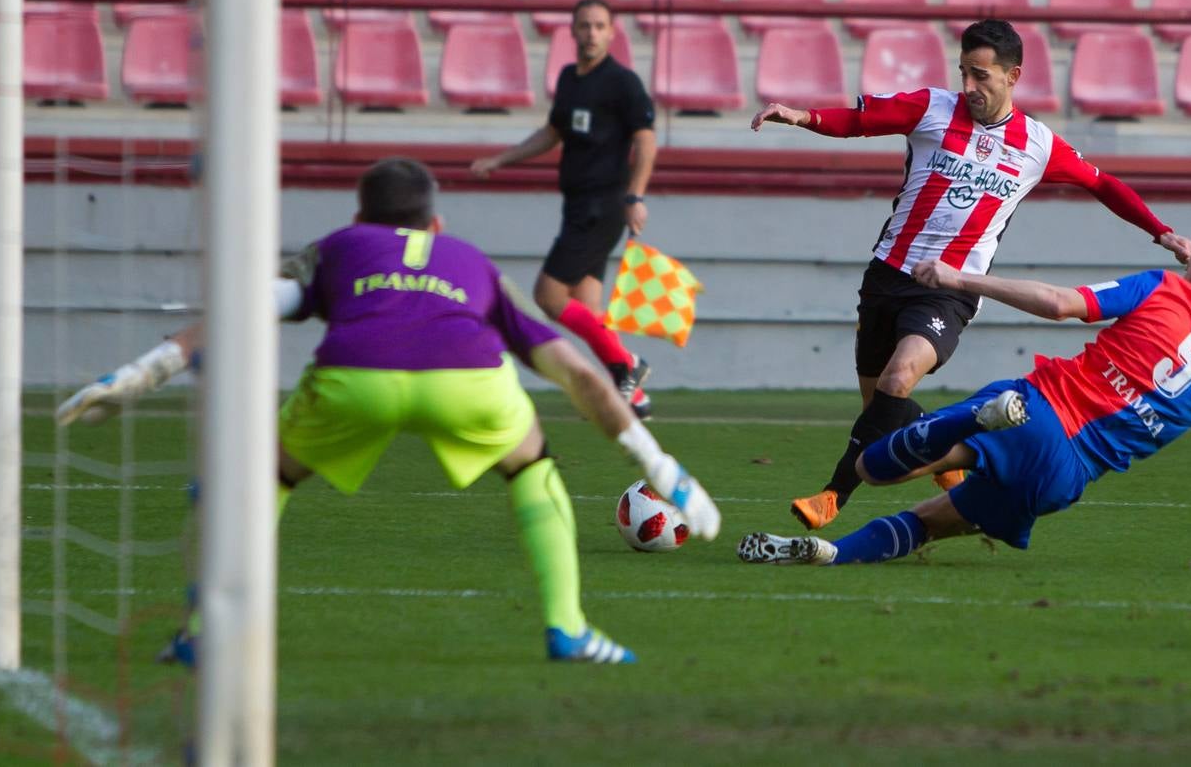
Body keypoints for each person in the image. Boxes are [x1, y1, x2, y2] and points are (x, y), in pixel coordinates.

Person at [56, 158, 721, 665]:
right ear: (436, 224)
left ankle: (206, 636)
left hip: (356, 376)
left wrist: (143, 372)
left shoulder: (340, 249)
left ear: (359, 219)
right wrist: (662, 466)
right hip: (466, 381)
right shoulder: (474, 265)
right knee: (530, 464)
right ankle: (568, 628)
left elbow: (246, 307)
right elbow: (576, 371)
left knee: (270, 476)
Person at [749, 18, 1191, 531]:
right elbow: (857, 122)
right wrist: (799, 116)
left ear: (1013, 76)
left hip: (949, 290)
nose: (969, 86)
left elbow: (1104, 185)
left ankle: (833, 495)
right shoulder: (931, 108)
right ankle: (943, 456)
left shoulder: (1036, 144)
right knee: (882, 407)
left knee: (898, 379)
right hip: (887, 276)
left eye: (981, 75)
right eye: (964, 72)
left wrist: (1160, 232)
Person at [737, 230, 1191, 570]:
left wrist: (962, 277)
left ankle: (971, 426)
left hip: (1036, 409)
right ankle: (833, 555)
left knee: (873, 467)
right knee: (930, 522)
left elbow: (1061, 304)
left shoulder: (1165, 287)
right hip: (1064, 478)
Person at [470, 0, 657, 419]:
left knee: (548, 296)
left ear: (611, 33)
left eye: (598, 26)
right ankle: (635, 397)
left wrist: (635, 196)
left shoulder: (622, 83)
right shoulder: (570, 78)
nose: (591, 33)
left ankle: (628, 366)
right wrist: (502, 159)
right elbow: (552, 132)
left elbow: (645, 140)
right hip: (577, 205)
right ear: (572, 32)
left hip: (603, 204)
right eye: (584, 26)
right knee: (588, 311)